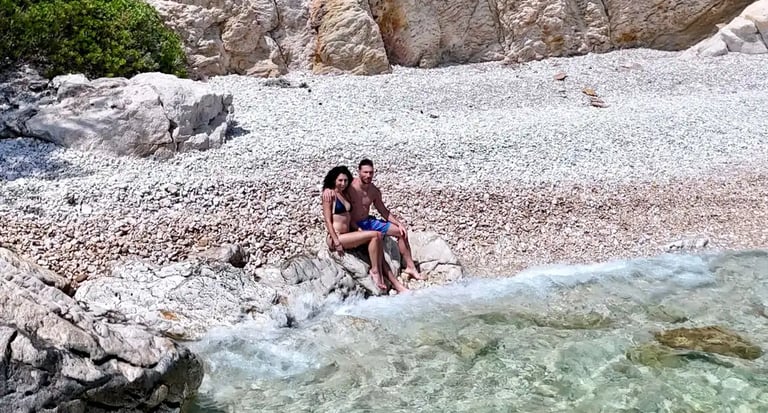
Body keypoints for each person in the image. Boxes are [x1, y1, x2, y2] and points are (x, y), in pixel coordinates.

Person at [323, 159, 424, 281]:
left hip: (368, 221)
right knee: (376, 237)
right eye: (365, 172)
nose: (368, 175)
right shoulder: (350, 186)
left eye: (371, 172)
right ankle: (380, 273)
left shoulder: (374, 191)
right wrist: (327, 189)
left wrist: (399, 223)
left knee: (401, 232)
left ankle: (410, 266)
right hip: (355, 225)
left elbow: (383, 211)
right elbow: (336, 187)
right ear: (359, 172)